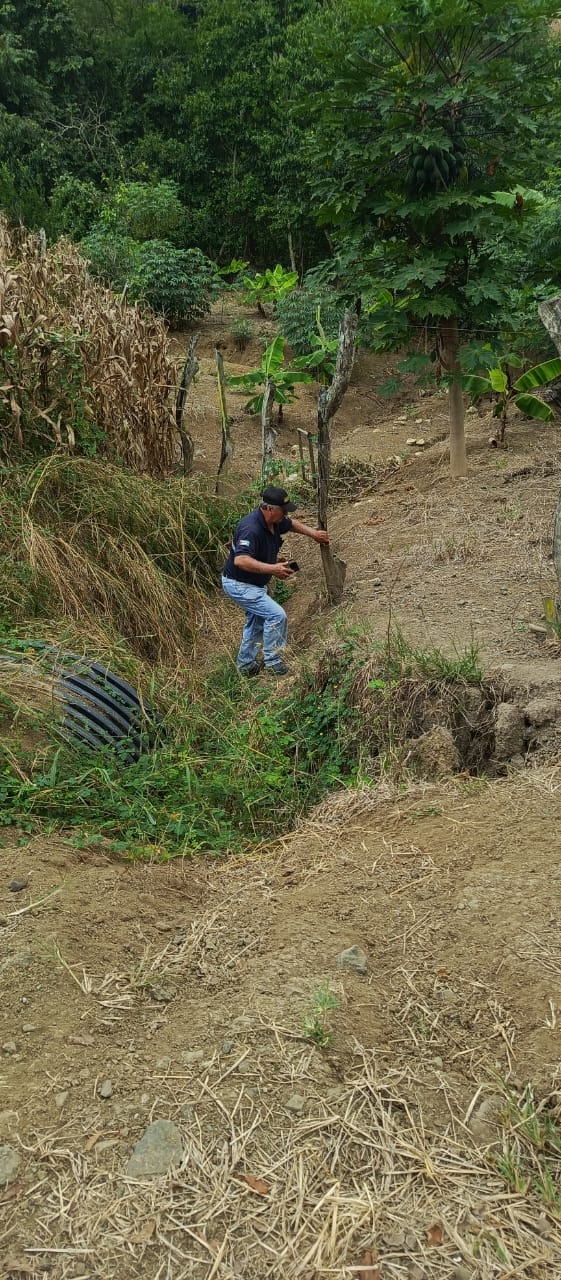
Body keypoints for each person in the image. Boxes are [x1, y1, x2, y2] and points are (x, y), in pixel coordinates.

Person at [222, 484, 330, 676]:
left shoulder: (275, 521)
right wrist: (273, 568)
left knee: (256, 622)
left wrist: (314, 534)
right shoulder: (250, 529)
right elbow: (241, 560)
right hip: (240, 585)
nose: (286, 515)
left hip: (253, 583)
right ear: (269, 509)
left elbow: (291, 524)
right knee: (276, 615)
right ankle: (273, 662)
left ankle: (245, 666)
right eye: (283, 510)